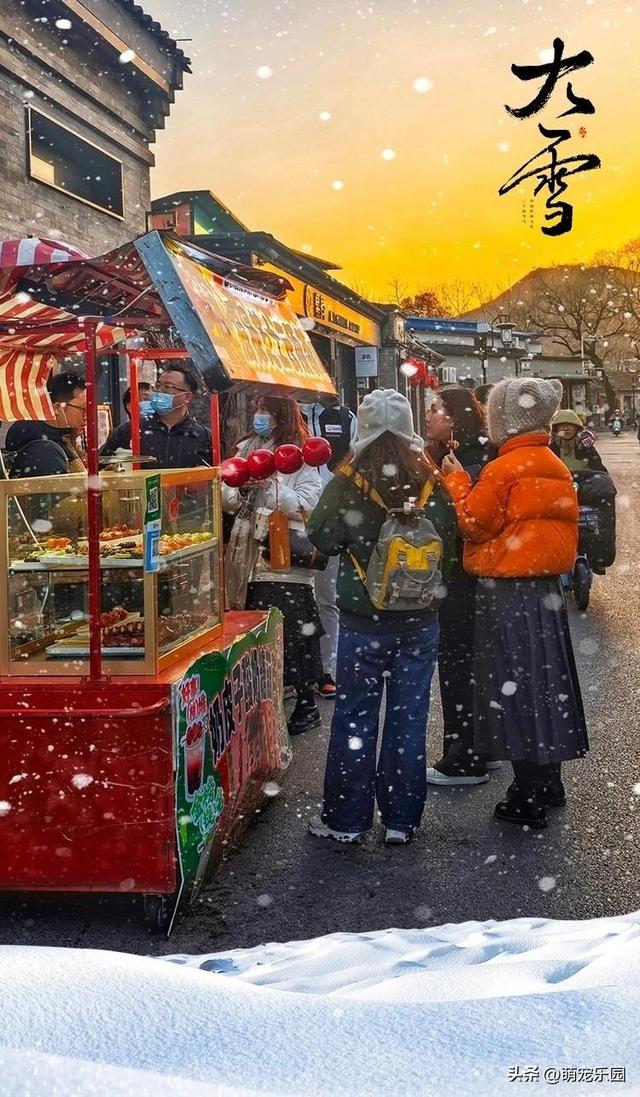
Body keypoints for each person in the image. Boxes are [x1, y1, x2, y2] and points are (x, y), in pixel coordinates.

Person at [305, 389, 457, 844]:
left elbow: (321, 535)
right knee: (409, 719)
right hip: (420, 621)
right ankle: (400, 820)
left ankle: (346, 820)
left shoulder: (349, 478)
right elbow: (450, 543)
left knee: (354, 717)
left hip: (363, 619)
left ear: (364, 427)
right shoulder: (430, 477)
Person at [442, 377, 588, 830]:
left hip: (507, 591)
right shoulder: (553, 463)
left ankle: (526, 793)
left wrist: (456, 482)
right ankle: (549, 781)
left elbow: (473, 523)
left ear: (504, 417)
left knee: (514, 687)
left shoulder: (503, 469)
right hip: (546, 590)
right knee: (546, 685)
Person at [223, 395, 324, 735]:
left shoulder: (300, 456)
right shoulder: (245, 448)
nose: (259, 416)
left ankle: (306, 702)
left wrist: (273, 487)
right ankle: (267, 701)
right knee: (258, 631)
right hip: (249, 553)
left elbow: (309, 502)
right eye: (256, 409)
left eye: (265, 410)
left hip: (285, 557)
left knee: (294, 633)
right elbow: (226, 494)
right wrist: (241, 489)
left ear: (281, 415)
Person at [424, 386, 499, 786]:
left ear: (454, 419)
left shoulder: (466, 462)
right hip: (475, 577)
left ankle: (464, 757)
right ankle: (483, 747)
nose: (428, 416)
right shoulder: (475, 454)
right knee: (474, 663)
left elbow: (466, 521)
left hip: (463, 576)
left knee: (458, 664)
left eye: (435, 410)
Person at [298, 396, 358, 699]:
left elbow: (355, 455)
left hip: (330, 519)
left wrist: (336, 486)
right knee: (292, 596)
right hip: (289, 517)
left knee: (326, 597)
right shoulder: (287, 414)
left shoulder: (344, 417)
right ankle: (294, 670)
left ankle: (327, 668)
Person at [101, 366, 211, 468]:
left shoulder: (204, 437)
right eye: (157, 386)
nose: (159, 390)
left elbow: (217, 475)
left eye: (168, 386)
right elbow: (99, 467)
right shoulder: (129, 430)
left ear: (186, 397)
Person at [4, 371, 87, 477]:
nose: (87, 416)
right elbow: (69, 486)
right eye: (83, 409)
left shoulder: (62, 438)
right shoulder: (45, 450)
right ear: (57, 408)